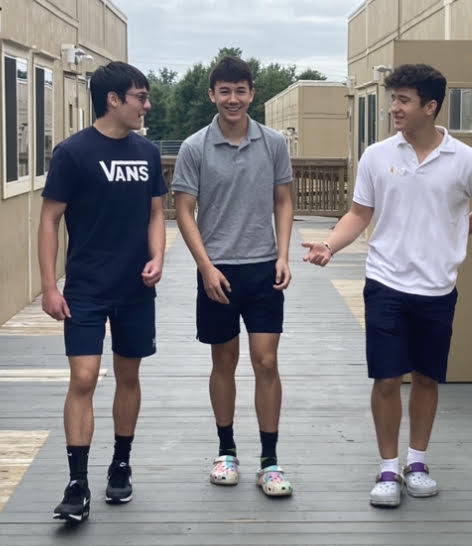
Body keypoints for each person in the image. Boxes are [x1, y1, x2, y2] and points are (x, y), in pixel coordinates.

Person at [303, 64, 472, 507]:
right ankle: (388, 468)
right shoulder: (377, 155)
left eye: (403, 100)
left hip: (437, 287)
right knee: (387, 378)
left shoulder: (465, 159)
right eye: (393, 99)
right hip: (385, 283)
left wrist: (454, 233)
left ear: (430, 107)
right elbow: (359, 213)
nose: (393, 107)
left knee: (427, 378)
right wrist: (331, 246)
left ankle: (417, 462)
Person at [38, 61, 167, 522]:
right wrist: (50, 286)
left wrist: (158, 256)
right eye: (140, 97)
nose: (146, 105)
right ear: (113, 99)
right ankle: (77, 484)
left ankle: (121, 464)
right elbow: (50, 218)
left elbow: (157, 211)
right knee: (84, 379)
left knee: (128, 377)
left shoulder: (148, 152)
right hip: (87, 288)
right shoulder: (73, 153)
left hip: (134, 287)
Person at [172, 56, 294, 497]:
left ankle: (270, 460)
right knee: (223, 362)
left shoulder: (273, 143)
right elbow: (184, 209)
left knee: (266, 361)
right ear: (212, 95)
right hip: (217, 271)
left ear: (252, 93)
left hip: (264, 268)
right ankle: (226, 450)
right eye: (224, 91)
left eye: (240, 90)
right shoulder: (194, 147)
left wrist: (283, 255)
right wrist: (204, 266)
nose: (233, 99)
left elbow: (284, 201)